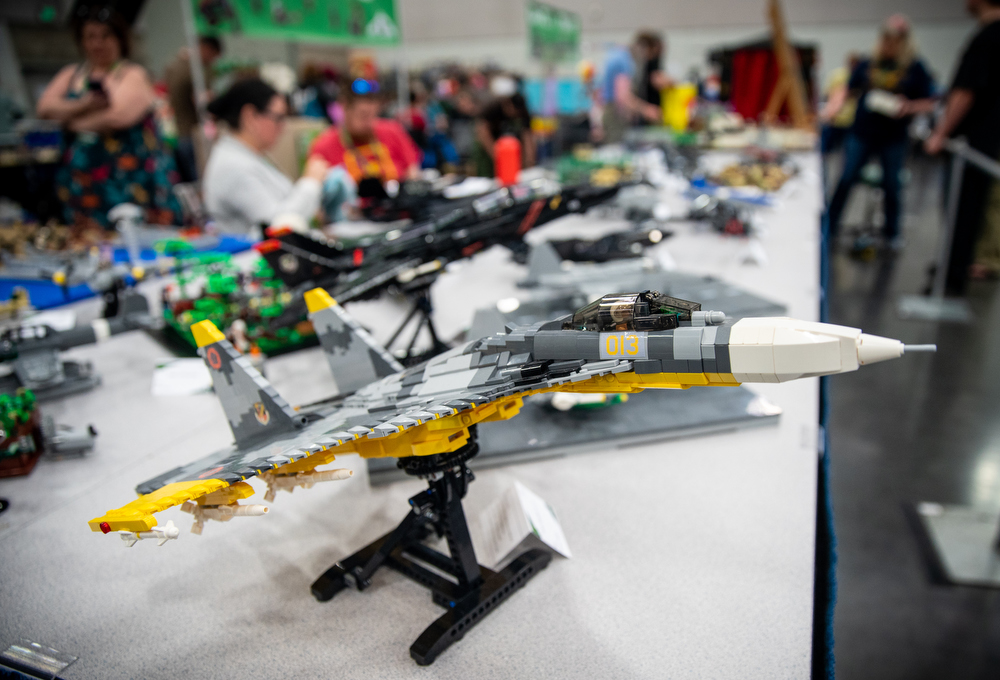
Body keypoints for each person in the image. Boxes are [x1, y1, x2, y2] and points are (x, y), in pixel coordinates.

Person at [36, 5, 182, 227]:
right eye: (90, 37)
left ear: (119, 39)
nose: (97, 44)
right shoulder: (72, 74)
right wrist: (86, 104)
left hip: (130, 181)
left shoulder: (131, 73)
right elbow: (44, 108)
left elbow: (117, 117)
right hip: (84, 184)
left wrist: (69, 121)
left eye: (105, 36)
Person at [824, 15, 936, 250]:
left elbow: (930, 102)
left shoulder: (915, 68)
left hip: (893, 137)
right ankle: (829, 228)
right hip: (862, 133)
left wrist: (909, 107)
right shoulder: (868, 63)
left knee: (891, 186)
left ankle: (892, 234)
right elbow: (847, 89)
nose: (889, 45)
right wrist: (832, 108)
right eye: (886, 39)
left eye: (894, 40)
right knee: (846, 179)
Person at [924, 0, 1000, 293]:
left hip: (971, 144)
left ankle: (951, 276)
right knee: (971, 212)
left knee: (962, 211)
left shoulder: (987, 38)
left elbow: (965, 92)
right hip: (986, 142)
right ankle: (953, 268)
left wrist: (940, 133)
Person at [202, 78, 330, 235]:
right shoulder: (232, 166)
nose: (282, 127)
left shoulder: (247, 156)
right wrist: (311, 182)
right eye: (278, 118)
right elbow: (278, 226)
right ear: (250, 116)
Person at [309, 78, 421, 217]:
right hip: (353, 220)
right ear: (344, 108)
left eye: (372, 115)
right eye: (362, 116)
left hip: (398, 211)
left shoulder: (393, 131)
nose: (369, 122)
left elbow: (413, 172)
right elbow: (316, 204)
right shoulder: (323, 146)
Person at [164, 35, 222, 182]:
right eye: (213, 56)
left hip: (178, 131)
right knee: (201, 181)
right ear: (207, 49)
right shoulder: (196, 70)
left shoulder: (175, 64)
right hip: (193, 135)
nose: (213, 61)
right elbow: (202, 102)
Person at [599, 33, 665, 143]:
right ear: (646, 48)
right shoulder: (623, 60)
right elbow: (623, 97)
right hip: (614, 114)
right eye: (651, 54)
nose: (648, 59)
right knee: (617, 150)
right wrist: (647, 110)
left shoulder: (618, 55)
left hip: (612, 110)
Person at [471, 75, 535, 178]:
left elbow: (527, 136)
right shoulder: (492, 108)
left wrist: (529, 161)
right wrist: (497, 156)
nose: (514, 115)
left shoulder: (523, 111)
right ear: (507, 104)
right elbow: (483, 133)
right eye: (513, 111)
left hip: (511, 148)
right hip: (490, 146)